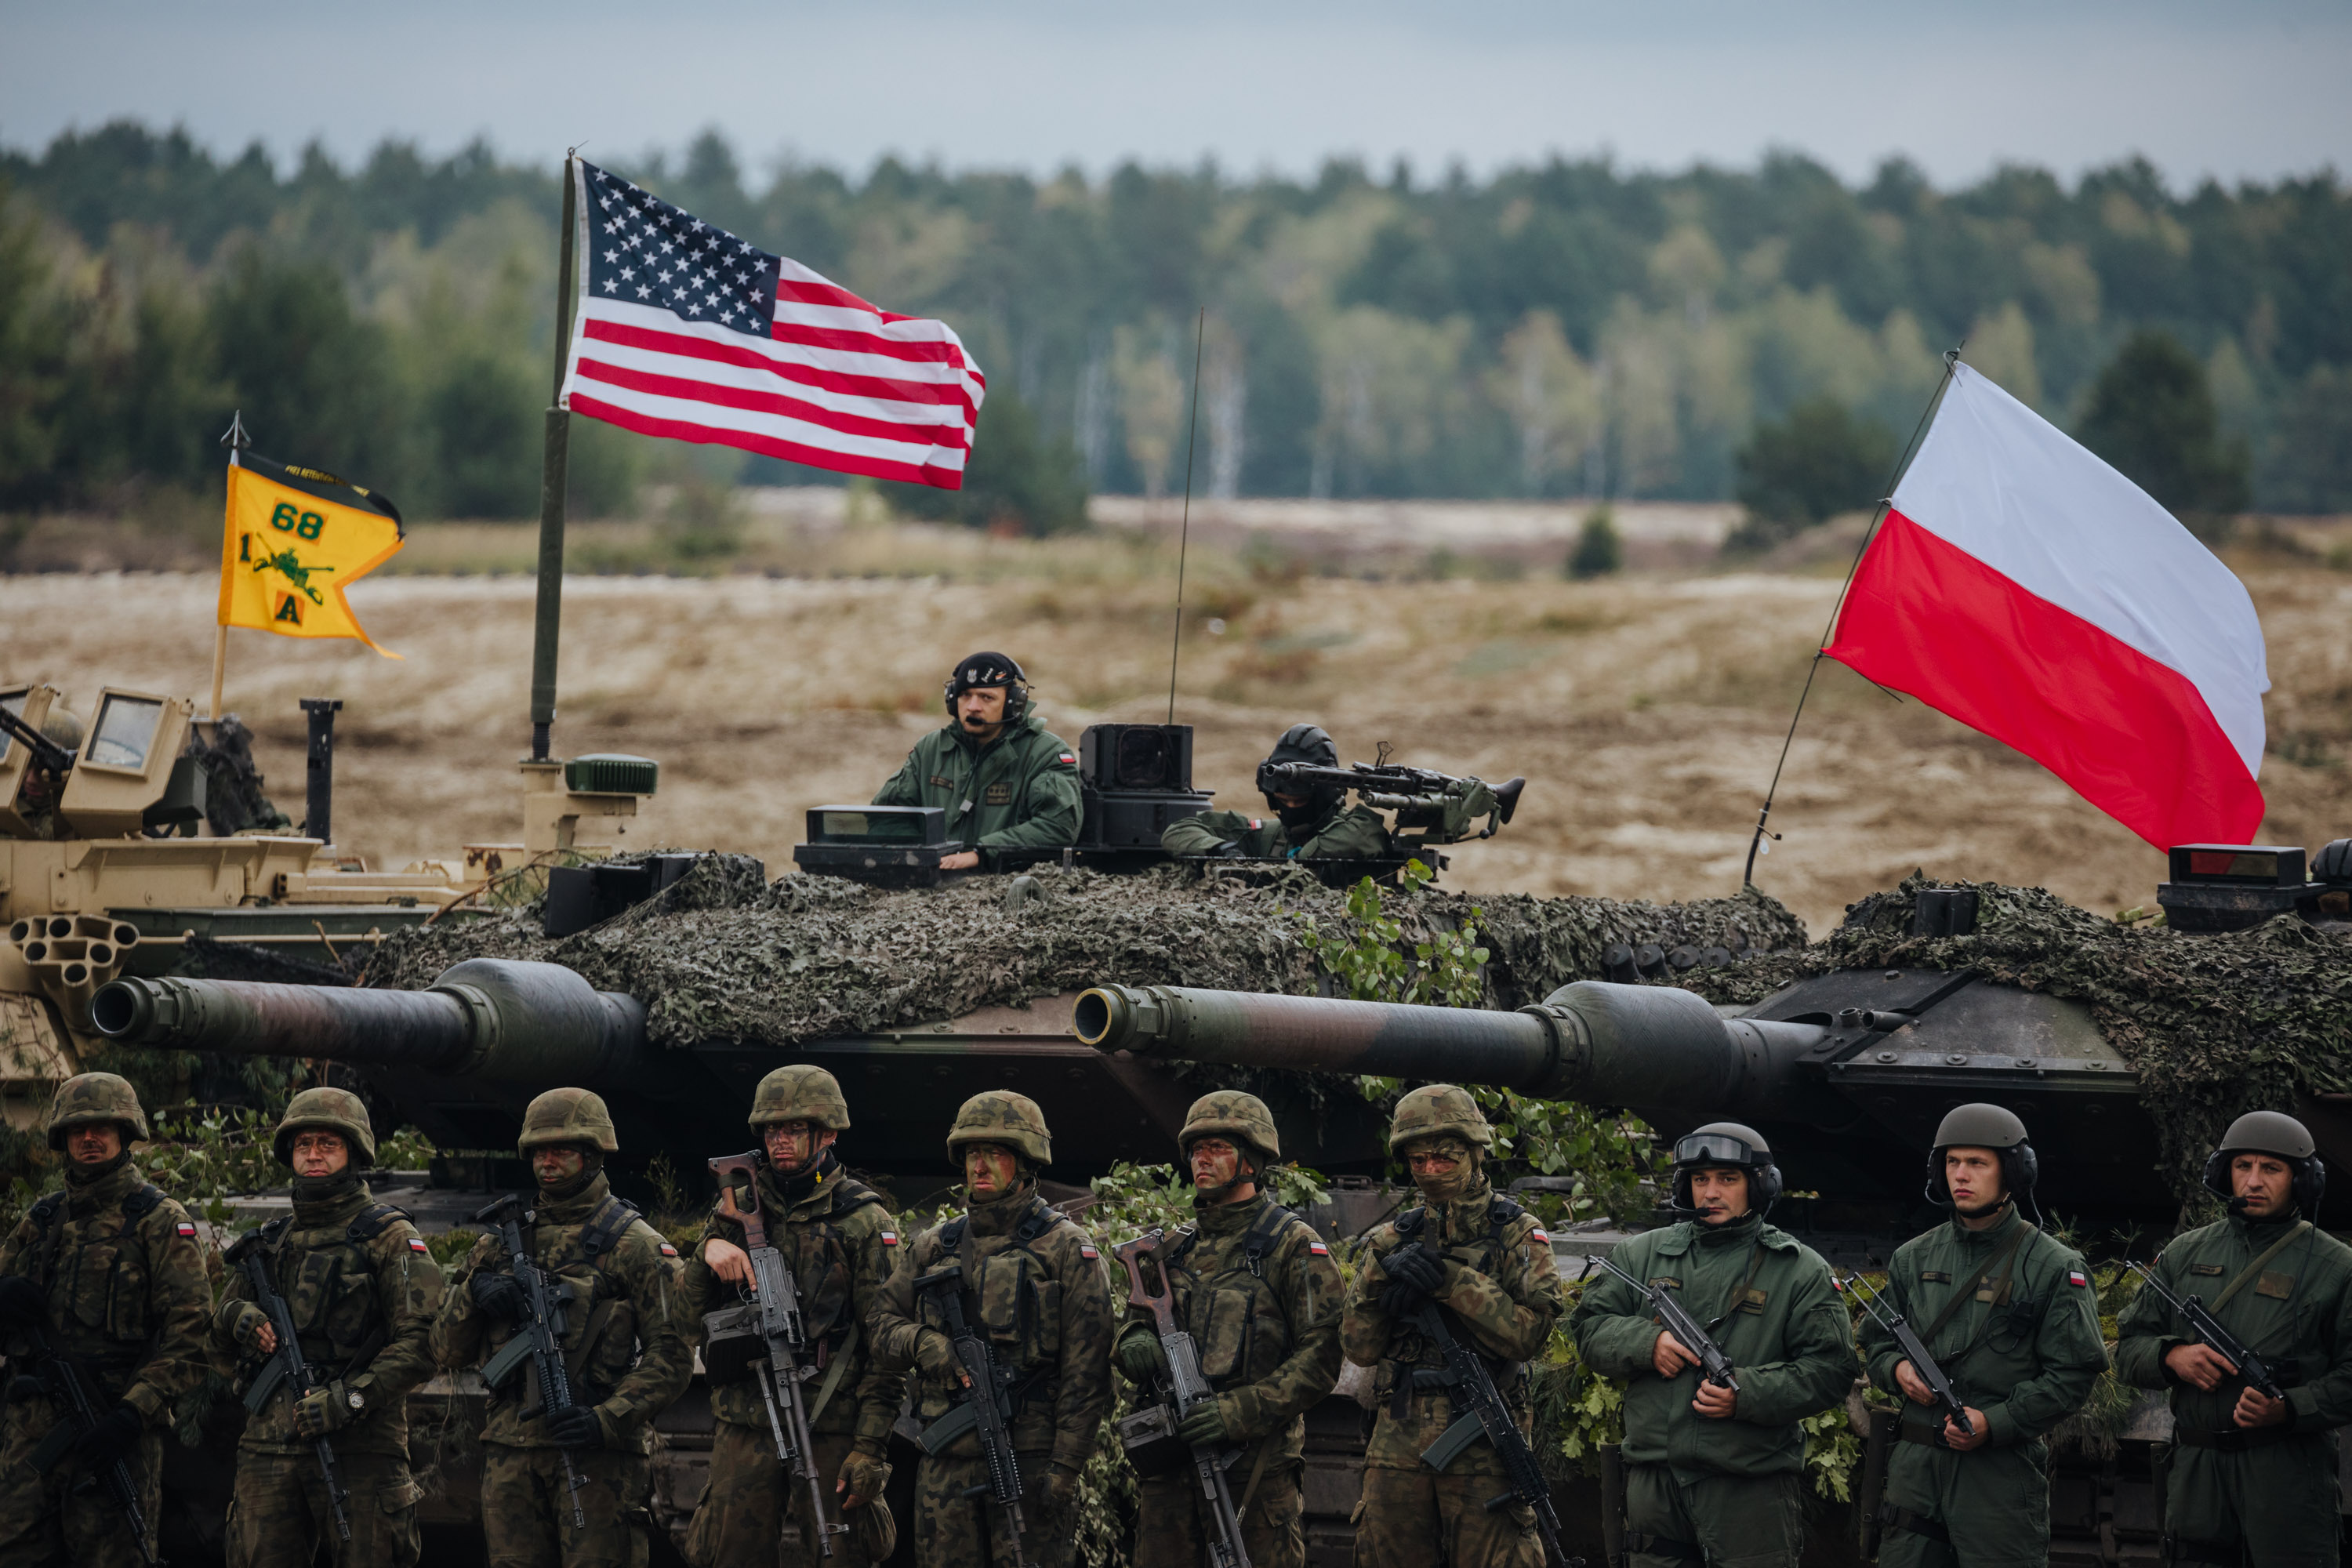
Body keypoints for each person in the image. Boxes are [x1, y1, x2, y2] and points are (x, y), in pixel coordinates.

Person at [1568, 1122, 1855, 1568]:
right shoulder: (1640, 1255)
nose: (1711, 1192)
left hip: (1748, 1490)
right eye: (1700, 1179)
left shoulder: (1798, 1269)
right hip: (1655, 1488)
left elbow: (1831, 1369)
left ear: (1759, 1186)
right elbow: (1588, 1328)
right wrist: (1648, 1343)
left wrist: (1746, 1393)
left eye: (1727, 1179)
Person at [431, 1088, 690, 1568]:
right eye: (539, 1152)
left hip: (597, 1456)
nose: (548, 1162)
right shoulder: (498, 1246)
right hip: (510, 1453)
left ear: (593, 1156)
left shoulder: (636, 1245)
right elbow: (446, 1350)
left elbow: (672, 1355)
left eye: (562, 1151)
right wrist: (475, 1290)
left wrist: (607, 1419)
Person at [870, 1091, 1113, 1568]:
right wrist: (923, 1342)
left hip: (1029, 1463)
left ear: (1025, 1162)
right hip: (944, 1465)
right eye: (971, 1155)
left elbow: (1088, 1372)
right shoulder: (934, 1245)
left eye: (995, 1154)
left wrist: (1066, 1466)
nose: (979, 1166)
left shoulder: (1066, 1248)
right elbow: (880, 1325)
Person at [1858, 1104, 2108, 1568]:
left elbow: (2074, 1375)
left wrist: (1997, 1421)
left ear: (2013, 1172)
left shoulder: (2053, 1266)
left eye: (1977, 1163)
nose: (1961, 1175)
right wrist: (1897, 1369)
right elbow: (1875, 1341)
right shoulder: (1913, 1257)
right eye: (1952, 1162)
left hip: (1997, 1472)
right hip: (1914, 1469)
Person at [213, 1087, 446, 1568]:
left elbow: (424, 1345)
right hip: (269, 1448)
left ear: (354, 1153)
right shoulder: (269, 1244)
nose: (314, 1154)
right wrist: (236, 1318)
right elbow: (212, 1341)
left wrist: (349, 1400)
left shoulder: (390, 1237)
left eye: (328, 1144)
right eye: (304, 1144)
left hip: (361, 1450)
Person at [1112, 1091, 1344, 1568]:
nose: (1202, 1159)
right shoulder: (1174, 1248)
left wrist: (1238, 1411)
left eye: (1217, 1148)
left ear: (1251, 1161)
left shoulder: (1292, 1245)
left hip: (1252, 1471)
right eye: (1197, 1149)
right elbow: (1137, 1319)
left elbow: (1323, 1355)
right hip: (1171, 1469)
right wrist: (1130, 1339)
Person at [681, 1066, 900, 1567]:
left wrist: (870, 1446)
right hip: (746, 1419)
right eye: (772, 1130)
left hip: (829, 1422)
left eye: (795, 1129)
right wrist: (706, 1253)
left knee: (840, 1555)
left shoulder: (863, 1221)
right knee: (729, 1556)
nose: (780, 1141)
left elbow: (886, 1347)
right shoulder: (734, 1210)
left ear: (828, 1134)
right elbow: (687, 1320)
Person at [2114, 1110, 2352, 1567]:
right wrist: (2172, 1357)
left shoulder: (2337, 1267)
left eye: (2272, 1168)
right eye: (2243, 1166)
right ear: (2225, 1172)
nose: (2254, 1181)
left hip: (2286, 1474)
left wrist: (2291, 1407)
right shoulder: (2185, 1252)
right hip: (2196, 1472)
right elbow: (2128, 1347)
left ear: (2303, 1181)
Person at [1340, 1085, 1564, 1568]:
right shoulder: (1392, 1238)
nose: (1430, 1170)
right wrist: (1381, 1283)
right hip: (1397, 1433)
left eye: (1444, 1158)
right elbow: (1358, 1347)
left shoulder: (1517, 1233)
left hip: (1484, 1433)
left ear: (1476, 1152)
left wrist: (1452, 1282)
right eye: (1418, 1161)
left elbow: (1531, 1335)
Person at [0, 1072, 211, 1567]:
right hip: (29, 1441)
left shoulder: (160, 1220)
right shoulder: (42, 1220)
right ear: (63, 1139)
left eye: (102, 1127)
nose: (89, 1138)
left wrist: (133, 1414)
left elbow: (192, 1334)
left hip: (112, 1435)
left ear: (125, 1133)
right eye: (78, 1129)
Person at [872, 652, 1081, 871]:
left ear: (1014, 703)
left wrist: (981, 855)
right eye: (965, 695)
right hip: (932, 881)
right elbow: (884, 817)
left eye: (986, 697)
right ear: (952, 700)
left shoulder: (1045, 753)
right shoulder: (930, 749)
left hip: (1010, 885)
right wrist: (923, 855)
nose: (973, 706)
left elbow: (1058, 826)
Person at [1161, 724, 1390, 861]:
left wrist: (1301, 860)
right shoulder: (1266, 837)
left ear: (1325, 796)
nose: (1290, 808)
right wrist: (1222, 849)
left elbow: (1368, 835)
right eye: (1283, 801)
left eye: (1299, 801)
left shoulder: (1357, 828)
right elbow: (1179, 831)